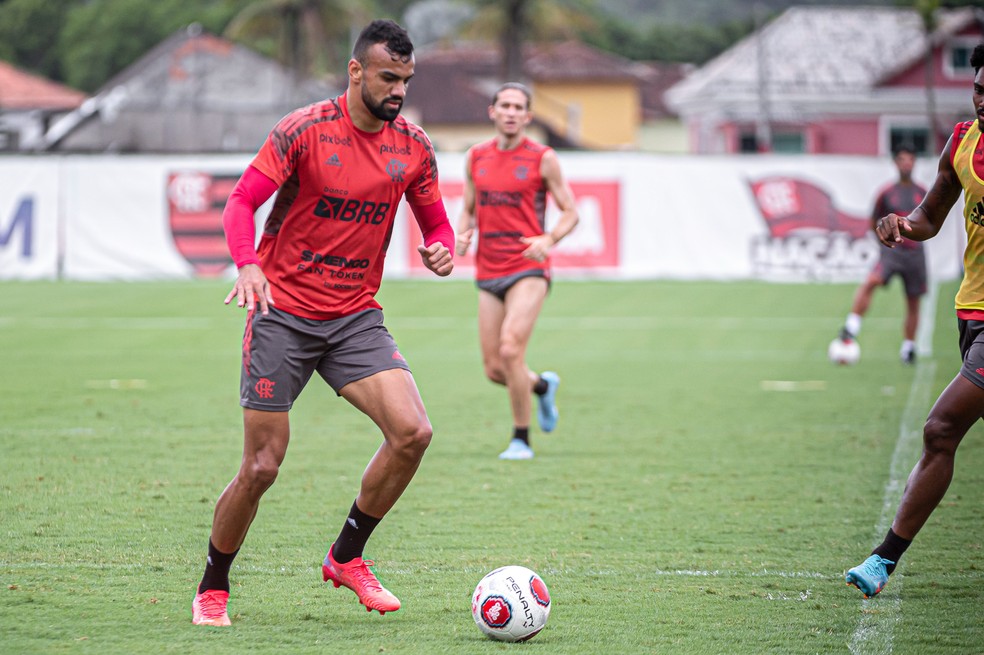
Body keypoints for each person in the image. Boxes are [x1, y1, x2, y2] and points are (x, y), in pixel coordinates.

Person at [191, 19, 454, 626]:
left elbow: (435, 223)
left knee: (413, 433)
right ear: (355, 71)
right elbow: (240, 203)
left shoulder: (412, 146)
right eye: (389, 78)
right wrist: (248, 265)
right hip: (281, 315)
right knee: (262, 467)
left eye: (406, 81)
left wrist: (439, 246)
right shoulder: (304, 131)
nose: (399, 92)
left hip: (355, 317)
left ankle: (346, 557)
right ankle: (214, 586)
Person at [845, 42, 984, 598]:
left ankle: (883, 560)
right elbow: (931, 215)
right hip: (972, 309)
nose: (982, 98)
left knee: (940, 427)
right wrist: (901, 225)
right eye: (977, 87)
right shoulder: (962, 141)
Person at [455, 83, 578, 460]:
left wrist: (549, 238)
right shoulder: (476, 157)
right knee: (495, 369)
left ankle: (521, 439)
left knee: (511, 349)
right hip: (488, 269)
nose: (510, 112)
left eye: (518, 107)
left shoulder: (543, 158)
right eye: (504, 105)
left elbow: (571, 212)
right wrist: (462, 233)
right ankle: (541, 387)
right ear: (492, 111)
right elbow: (469, 208)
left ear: (528, 116)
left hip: (528, 267)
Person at [835, 145, 927, 364]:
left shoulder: (922, 193)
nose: (907, 163)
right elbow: (873, 220)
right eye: (903, 159)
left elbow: (931, 220)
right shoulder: (887, 193)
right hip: (892, 253)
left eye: (911, 159)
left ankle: (908, 348)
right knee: (871, 281)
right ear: (896, 163)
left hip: (915, 255)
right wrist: (882, 241)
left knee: (913, 302)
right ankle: (851, 326)